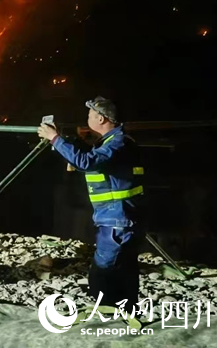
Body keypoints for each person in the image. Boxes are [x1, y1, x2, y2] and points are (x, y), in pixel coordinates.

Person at [38, 96, 144, 308]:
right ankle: (127, 320)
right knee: (125, 274)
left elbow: (88, 161)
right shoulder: (115, 142)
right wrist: (70, 142)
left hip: (117, 223)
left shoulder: (117, 143)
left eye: (89, 115)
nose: (86, 118)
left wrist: (54, 139)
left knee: (101, 278)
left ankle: (109, 322)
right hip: (122, 221)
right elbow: (92, 157)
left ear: (101, 119)